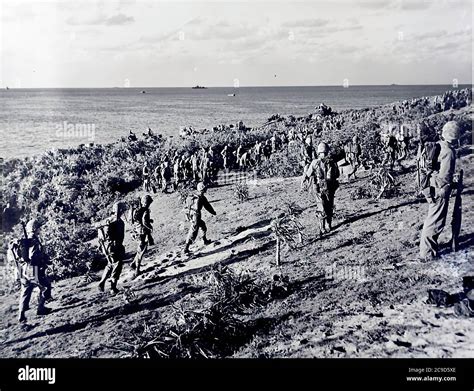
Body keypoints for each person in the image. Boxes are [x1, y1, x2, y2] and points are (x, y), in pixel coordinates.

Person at [419, 121, 460, 261]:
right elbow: (444, 177)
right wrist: (450, 185)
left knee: (432, 220)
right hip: (439, 190)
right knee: (435, 222)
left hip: (431, 187)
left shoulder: (438, 145)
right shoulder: (448, 151)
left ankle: (428, 250)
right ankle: (427, 254)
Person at [14, 219, 52, 323]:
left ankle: (21, 315)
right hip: (33, 269)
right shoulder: (33, 240)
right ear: (35, 229)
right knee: (45, 286)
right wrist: (43, 259)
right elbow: (34, 256)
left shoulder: (25, 242)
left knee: (26, 291)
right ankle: (41, 308)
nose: (40, 229)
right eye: (39, 228)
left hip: (23, 269)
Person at [302, 142, 340, 234]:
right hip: (325, 188)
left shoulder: (316, 162)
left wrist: (305, 180)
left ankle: (324, 226)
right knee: (326, 206)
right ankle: (326, 225)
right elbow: (337, 174)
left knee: (323, 206)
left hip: (322, 188)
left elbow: (307, 175)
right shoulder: (330, 162)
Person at [96, 202, 126, 294]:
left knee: (110, 264)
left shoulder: (107, 220)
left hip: (106, 246)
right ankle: (113, 288)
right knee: (118, 264)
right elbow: (119, 236)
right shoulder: (119, 222)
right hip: (115, 246)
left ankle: (102, 282)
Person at [183, 182, 216, 254]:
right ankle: (186, 247)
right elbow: (207, 206)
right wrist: (213, 212)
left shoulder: (193, 196)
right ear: (203, 189)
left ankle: (204, 240)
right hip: (196, 215)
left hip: (190, 214)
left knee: (203, 226)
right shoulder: (201, 197)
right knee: (193, 230)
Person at [131, 194, 154, 276]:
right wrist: (150, 227)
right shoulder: (146, 210)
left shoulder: (138, 209)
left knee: (140, 248)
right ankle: (137, 270)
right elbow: (144, 221)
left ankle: (133, 263)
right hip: (143, 232)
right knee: (142, 250)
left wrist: (149, 220)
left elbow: (140, 220)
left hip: (137, 231)